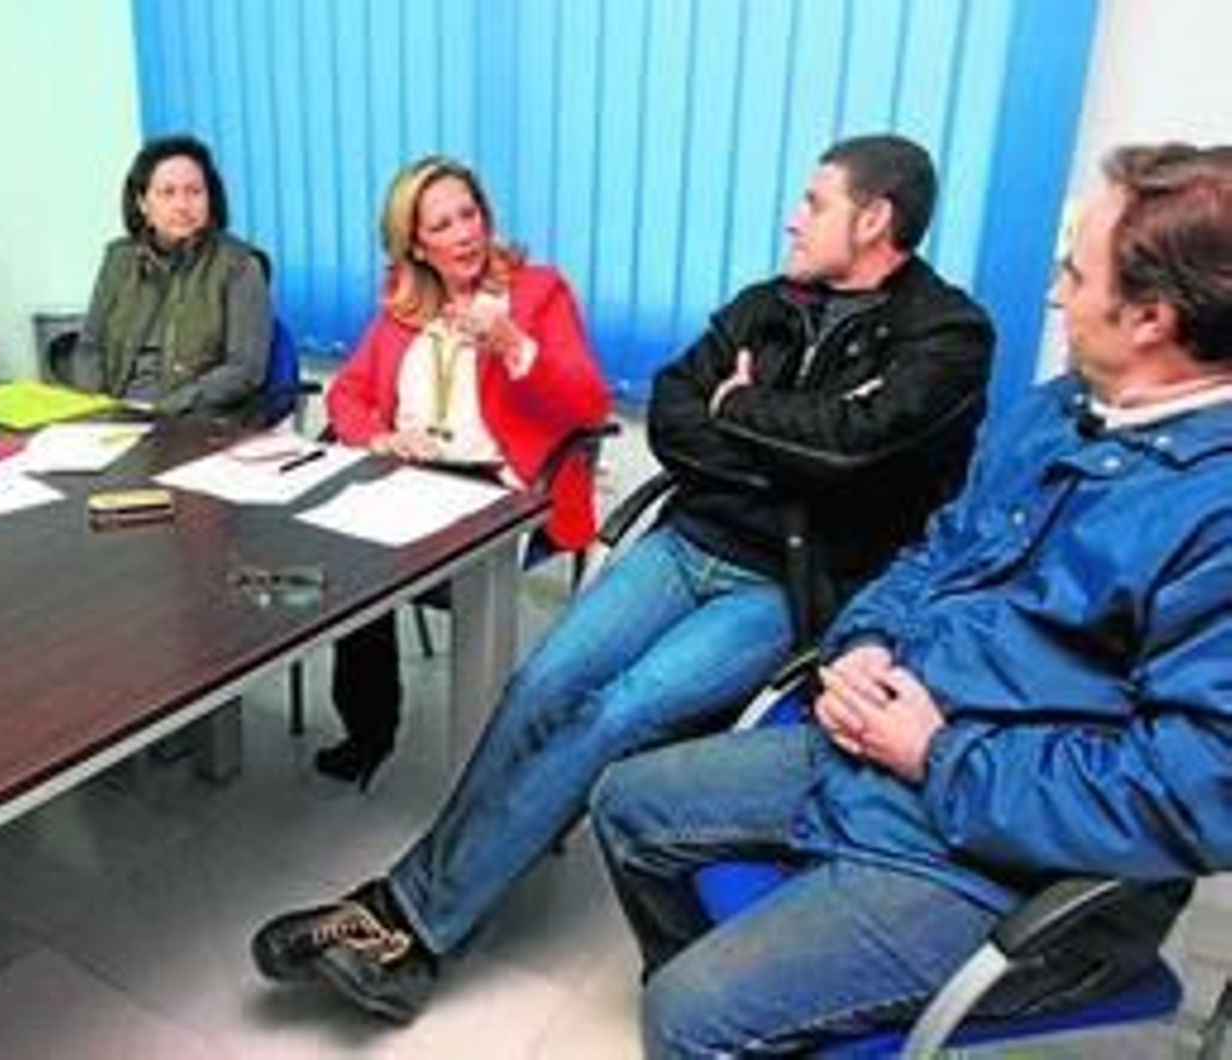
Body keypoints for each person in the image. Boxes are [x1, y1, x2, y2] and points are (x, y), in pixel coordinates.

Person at [252, 134, 995, 1024]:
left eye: (814, 202)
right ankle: (432, 893)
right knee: (542, 683)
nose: (794, 217)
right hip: (688, 541)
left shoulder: (949, 333)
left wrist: (744, 412)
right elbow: (679, 416)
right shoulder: (770, 302)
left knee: (617, 713)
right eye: (436, 222)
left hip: (786, 583)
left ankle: (409, 922)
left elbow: (853, 451)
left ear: (873, 219)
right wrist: (774, 438)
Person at [589, 142, 1232, 1056]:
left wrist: (938, 751)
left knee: (690, 1013)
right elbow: (938, 547)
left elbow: (1192, 796)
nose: (1053, 293)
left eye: (1074, 272)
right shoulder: (1060, 409)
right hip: (885, 747)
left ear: (1152, 319)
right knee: (628, 804)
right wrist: (867, 644)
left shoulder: (1215, 511)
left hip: (1008, 863)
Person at [311, 155, 612, 787]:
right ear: (416, 243)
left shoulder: (537, 291)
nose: (464, 234)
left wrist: (511, 343)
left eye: (469, 214)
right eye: (442, 225)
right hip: (416, 477)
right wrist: (384, 436)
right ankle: (369, 732)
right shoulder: (403, 306)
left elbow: (589, 402)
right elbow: (346, 396)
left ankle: (483, 765)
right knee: (350, 563)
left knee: (412, 568)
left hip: (503, 486)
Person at [68, 134, 273, 419]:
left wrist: (163, 410)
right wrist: (100, 407)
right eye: (167, 192)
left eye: (194, 191)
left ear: (210, 198)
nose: (182, 205)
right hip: (112, 417)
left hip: (190, 422)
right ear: (142, 203)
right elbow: (89, 347)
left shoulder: (240, 266)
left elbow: (244, 370)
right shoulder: (119, 259)